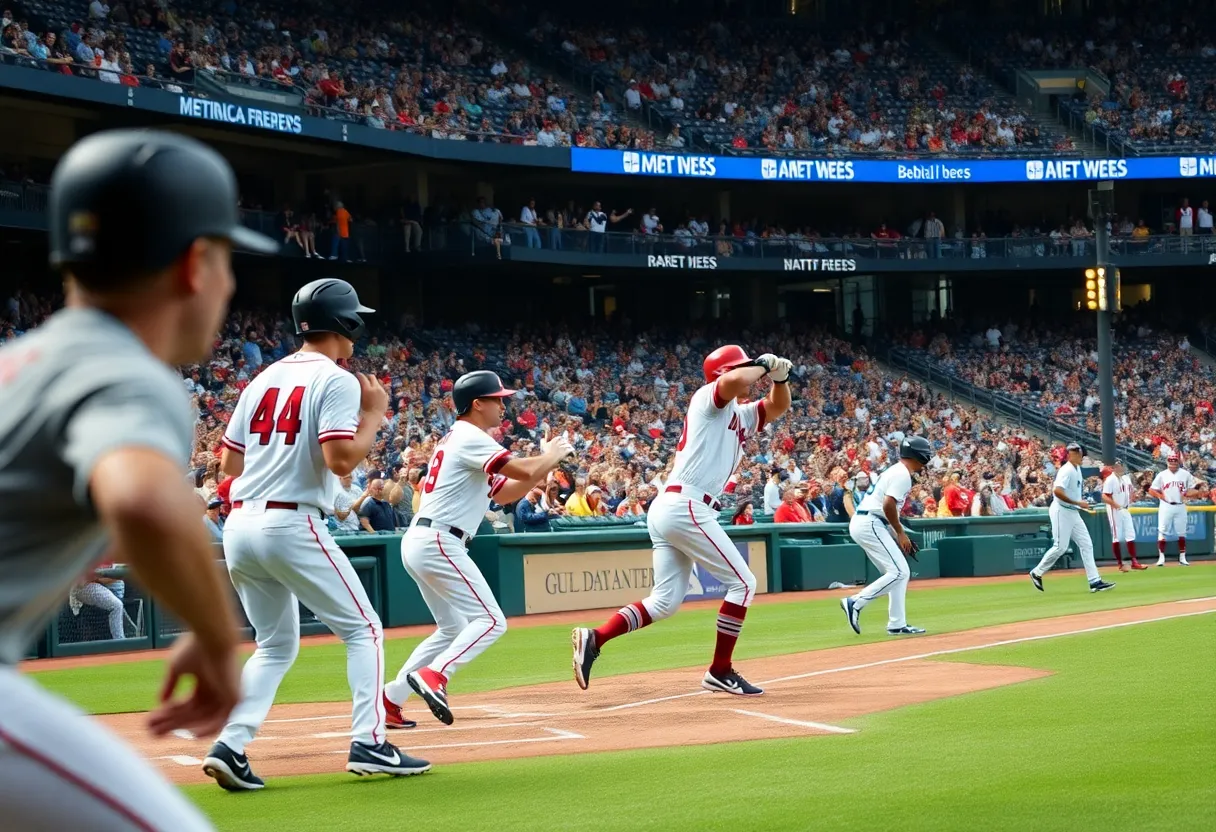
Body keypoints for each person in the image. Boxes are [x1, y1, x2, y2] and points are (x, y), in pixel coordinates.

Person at [0, 128, 275, 831]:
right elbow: (142, 499)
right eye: (228, 260)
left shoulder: (23, 364)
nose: (231, 283)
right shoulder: (124, 370)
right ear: (194, 265)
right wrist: (217, 639)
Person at [208, 278, 430, 789]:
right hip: (290, 521)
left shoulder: (261, 379)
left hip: (240, 525)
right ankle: (370, 742)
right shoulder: (337, 379)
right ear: (344, 323)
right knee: (365, 629)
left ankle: (231, 745)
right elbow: (341, 457)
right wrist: (373, 415)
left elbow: (228, 462)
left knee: (274, 645)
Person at [572, 346, 792, 696]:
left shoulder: (742, 414)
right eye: (742, 365)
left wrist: (779, 378)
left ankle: (595, 638)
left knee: (664, 601)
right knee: (743, 584)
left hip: (676, 506)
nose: (747, 371)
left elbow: (778, 406)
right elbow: (734, 378)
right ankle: (720, 670)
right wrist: (763, 365)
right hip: (686, 503)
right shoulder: (708, 396)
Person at [385, 371, 573, 725]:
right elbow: (521, 468)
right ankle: (436, 674)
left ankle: (391, 698)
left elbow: (505, 492)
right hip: (440, 540)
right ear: (477, 404)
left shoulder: (463, 438)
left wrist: (544, 466)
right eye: (497, 399)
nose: (503, 405)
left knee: (452, 628)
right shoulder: (471, 436)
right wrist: (549, 455)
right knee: (491, 621)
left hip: (425, 540)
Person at [840, 436, 933, 636]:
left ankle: (897, 623)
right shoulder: (902, 475)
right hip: (870, 522)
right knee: (899, 572)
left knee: (899, 573)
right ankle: (855, 602)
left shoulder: (896, 470)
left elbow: (885, 508)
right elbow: (887, 505)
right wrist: (900, 533)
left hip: (869, 522)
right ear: (918, 455)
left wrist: (898, 534)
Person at [1029, 443, 1115, 593]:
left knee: (1086, 544)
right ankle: (1037, 572)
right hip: (1061, 511)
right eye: (1079, 454)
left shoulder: (1077, 469)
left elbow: (1072, 492)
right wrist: (1077, 502)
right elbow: (1057, 491)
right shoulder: (1067, 470)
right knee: (1060, 547)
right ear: (1072, 454)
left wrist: (1081, 503)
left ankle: (1094, 581)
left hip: (1073, 512)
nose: (1081, 457)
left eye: (1081, 454)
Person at [1148, 452, 1198, 566]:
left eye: (1175, 461)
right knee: (1162, 531)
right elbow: (1151, 490)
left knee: (1182, 532)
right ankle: (1161, 558)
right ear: (1167, 462)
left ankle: (1182, 558)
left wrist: (1188, 494)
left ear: (1178, 462)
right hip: (1166, 505)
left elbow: (1193, 489)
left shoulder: (1185, 474)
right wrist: (1160, 496)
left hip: (1180, 505)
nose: (1173, 463)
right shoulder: (1162, 475)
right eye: (1170, 461)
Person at [1101, 460, 1146, 571]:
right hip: (1115, 509)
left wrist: (1134, 496)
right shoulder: (1110, 480)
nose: (1120, 468)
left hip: (1125, 508)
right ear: (1113, 468)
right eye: (1117, 466)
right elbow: (1105, 497)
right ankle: (1120, 564)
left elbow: (1129, 493)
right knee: (1117, 537)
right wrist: (1116, 506)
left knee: (1130, 534)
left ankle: (1134, 562)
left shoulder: (1125, 478)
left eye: (1120, 466)